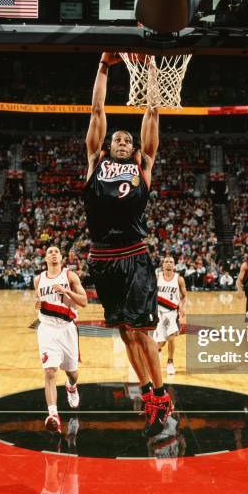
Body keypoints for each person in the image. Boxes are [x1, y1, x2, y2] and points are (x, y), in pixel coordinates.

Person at [83, 51, 171, 437]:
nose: (121, 141)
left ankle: (163, 396)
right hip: (102, 259)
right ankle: (148, 392)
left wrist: (151, 70)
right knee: (122, 330)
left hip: (134, 257)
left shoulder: (144, 165)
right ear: (107, 146)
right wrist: (104, 65)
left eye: (126, 139)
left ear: (133, 148)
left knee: (141, 331)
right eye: (116, 138)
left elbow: (151, 114)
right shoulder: (93, 161)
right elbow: (97, 109)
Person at [34, 246, 87, 433]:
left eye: (56, 251)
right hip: (47, 329)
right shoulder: (38, 279)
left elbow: (84, 301)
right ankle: (53, 414)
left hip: (67, 329)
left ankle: (71, 387)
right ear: (45, 257)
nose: (53, 253)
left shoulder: (70, 276)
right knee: (49, 372)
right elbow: (39, 303)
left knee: (72, 373)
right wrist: (37, 304)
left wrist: (67, 292)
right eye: (50, 251)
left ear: (62, 257)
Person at [153, 256, 187, 376]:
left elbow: (184, 296)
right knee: (161, 341)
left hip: (172, 312)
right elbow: (151, 295)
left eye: (171, 262)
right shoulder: (157, 278)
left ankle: (170, 362)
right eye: (166, 262)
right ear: (162, 265)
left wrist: (182, 307)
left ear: (174, 265)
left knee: (171, 336)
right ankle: (157, 350)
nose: (168, 264)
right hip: (159, 313)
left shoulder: (179, 279)